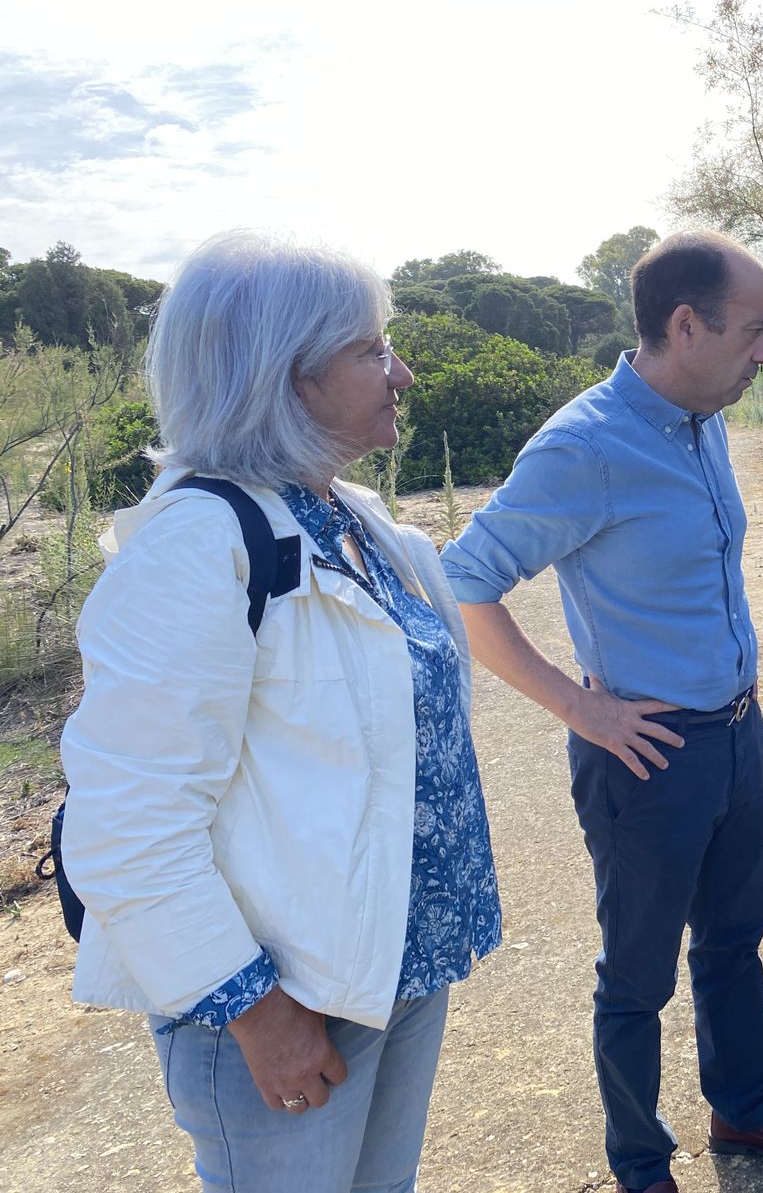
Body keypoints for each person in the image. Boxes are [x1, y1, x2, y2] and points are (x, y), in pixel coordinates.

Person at [61, 230, 501, 1193]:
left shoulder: (345, 519)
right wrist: (256, 1013)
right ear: (287, 376)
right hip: (283, 998)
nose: (403, 374)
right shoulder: (196, 546)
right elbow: (129, 823)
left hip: (391, 964)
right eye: (372, 350)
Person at [439, 232, 763, 1193]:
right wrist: (578, 708)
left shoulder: (702, 419)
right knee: (637, 977)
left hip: (735, 734)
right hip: (647, 756)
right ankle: (640, 1163)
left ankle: (744, 1112)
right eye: (753, 332)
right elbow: (462, 581)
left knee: (734, 941)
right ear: (685, 325)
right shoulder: (585, 446)